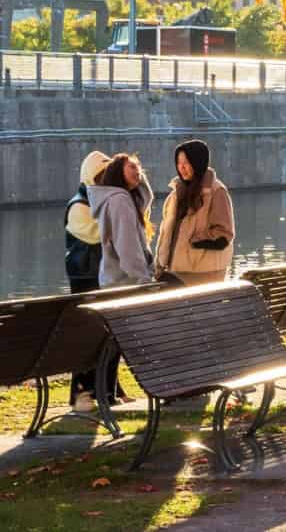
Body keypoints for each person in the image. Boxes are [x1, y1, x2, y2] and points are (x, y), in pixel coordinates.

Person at [63, 150, 115, 406]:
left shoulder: (101, 201)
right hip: (86, 279)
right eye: (102, 175)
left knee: (106, 335)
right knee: (88, 336)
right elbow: (98, 235)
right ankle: (81, 392)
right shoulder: (79, 206)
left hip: (101, 278)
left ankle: (106, 388)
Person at [155, 140, 236, 285]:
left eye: (186, 162)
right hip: (177, 269)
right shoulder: (177, 193)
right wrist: (160, 262)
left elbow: (224, 233)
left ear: (198, 162)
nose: (181, 168)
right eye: (178, 163)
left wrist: (193, 241)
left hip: (204, 273)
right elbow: (167, 232)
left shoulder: (216, 192)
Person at [89, 153, 154, 287]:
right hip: (126, 284)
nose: (138, 171)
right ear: (118, 171)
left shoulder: (122, 198)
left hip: (118, 281)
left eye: (139, 168)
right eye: (132, 167)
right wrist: (143, 279)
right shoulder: (119, 201)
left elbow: (146, 197)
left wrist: (137, 176)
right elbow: (127, 246)